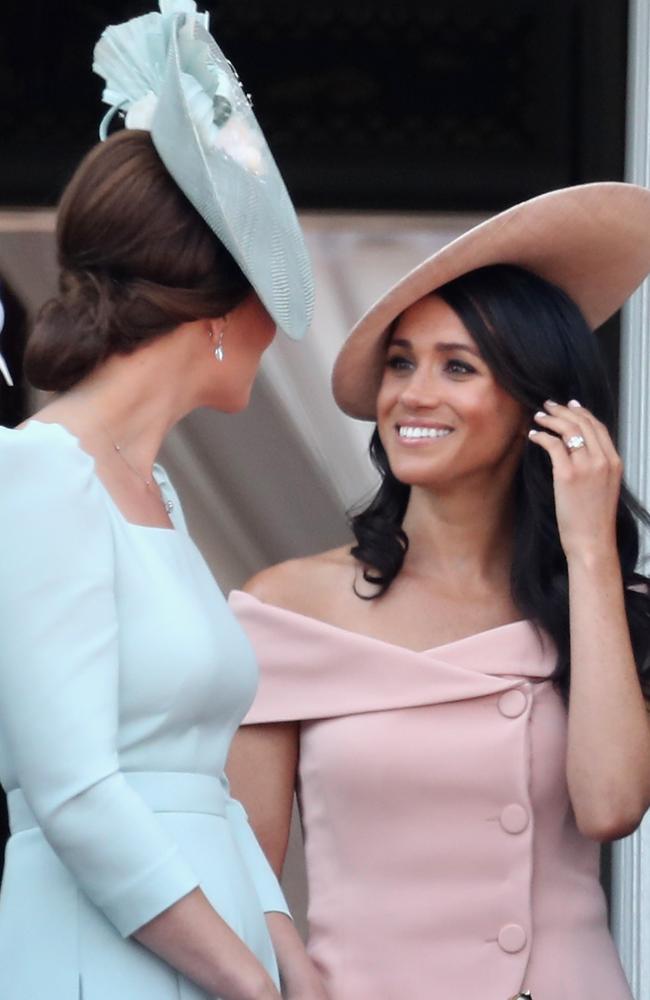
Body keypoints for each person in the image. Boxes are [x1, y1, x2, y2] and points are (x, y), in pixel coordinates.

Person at [228, 183, 650, 1000]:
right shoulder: (287, 608)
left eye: (458, 367)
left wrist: (590, 550)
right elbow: (244, 864)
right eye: (401, 363)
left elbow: (611, 806)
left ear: (541, 403)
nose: (413, 396)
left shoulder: (602, 607)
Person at [0, 3, 328, 999]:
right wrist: (246, 979)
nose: (280, 331)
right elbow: (74, 787)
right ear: (218, 312)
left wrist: (291, 960)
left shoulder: (161, 494)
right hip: (105, 948)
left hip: (209, 941)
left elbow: (206, 786)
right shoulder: (38, 469)